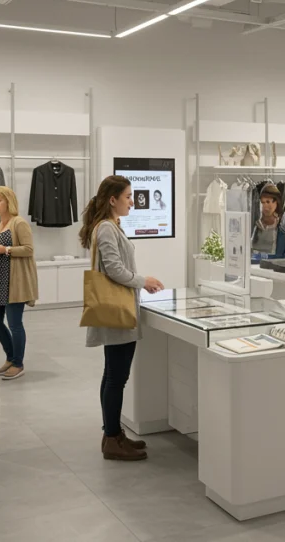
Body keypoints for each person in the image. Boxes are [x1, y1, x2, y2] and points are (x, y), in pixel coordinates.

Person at [80, 175, 166, 461]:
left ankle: (113, 434)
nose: (132, 201)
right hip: (117, 310)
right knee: (117, 378)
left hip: (118, 309)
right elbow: (115, 270)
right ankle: (112, 438)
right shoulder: (106, 228)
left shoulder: (109, 226)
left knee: (113, 376)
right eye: (128, 196)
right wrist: (144, 281)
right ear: (112, 199)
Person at [0, 186, 38, 380]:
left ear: (9, 201)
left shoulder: (19, 223)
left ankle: (18, 363)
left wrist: (5, 249)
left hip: (14, 281)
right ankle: (10, 357)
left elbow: (28, 249)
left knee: (15, 323)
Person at [252, 184, 285, 259]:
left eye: (268, 202)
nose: (265, 206)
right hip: (258, 267)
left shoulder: (284, 222)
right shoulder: (258, 225)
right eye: (263, 202)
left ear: (276, 202)